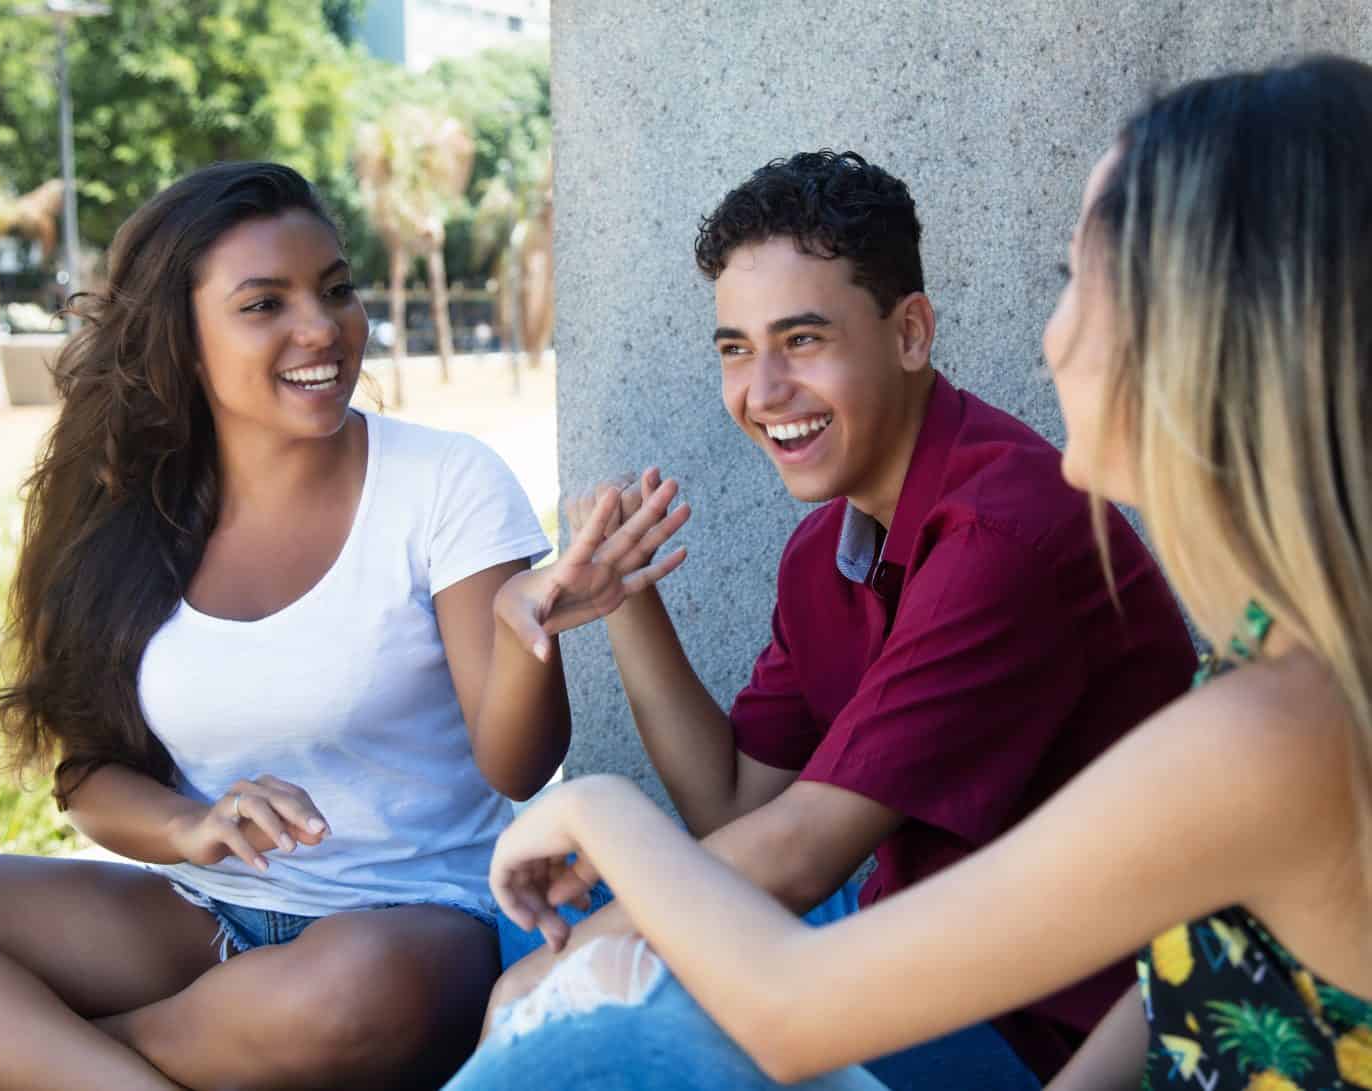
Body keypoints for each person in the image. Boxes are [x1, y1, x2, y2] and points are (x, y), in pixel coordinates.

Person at [446, 54, 1372, 1091]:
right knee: (539, 947)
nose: (1052, 333)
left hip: (1012, 1020)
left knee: (586, 1013)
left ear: (1211, 336)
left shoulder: (1043, 559)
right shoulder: (1269, 664)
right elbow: (1181, 968)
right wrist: (626, 595)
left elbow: (793, 935)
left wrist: (594, 813)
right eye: (737, 349)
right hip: (953, 962)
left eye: (1080, 283)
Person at [0, 162, 687, 1091]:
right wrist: (192, 823)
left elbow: (519, 767)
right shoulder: (124, 513)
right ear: (178, 340)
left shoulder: (444, 481)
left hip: (414, 929)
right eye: (265, 303)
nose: (323, 327)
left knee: (355, 991)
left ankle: (4, 1052)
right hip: (204, 914)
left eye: (336, 290)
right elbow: (90, 775)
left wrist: (521, 631)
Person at [487, 149, 1196, 1087]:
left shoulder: (1004, 531)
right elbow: (735, 809)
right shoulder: (830, 550)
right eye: (736, 348)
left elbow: (797, 858)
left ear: (910, 333)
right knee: (522, 925)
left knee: (579, 984)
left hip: (1041, 1025)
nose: (763, 390)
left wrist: (559, 973)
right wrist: (627, 598)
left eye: (804, 339)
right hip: (908, 946)